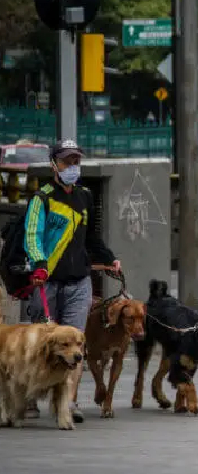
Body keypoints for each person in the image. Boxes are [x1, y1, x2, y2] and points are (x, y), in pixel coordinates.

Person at [23, 139, 121, 422]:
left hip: (79, 281)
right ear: (54, 164)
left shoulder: (85, 197)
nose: (72, 166)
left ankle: (69, 402)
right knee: (42, 342)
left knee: (76, 344)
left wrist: (109, 258)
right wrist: (40, 265)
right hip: (48, 281)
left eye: (76, 161)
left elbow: (90, 237)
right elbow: (32, 235)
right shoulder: (41, 198)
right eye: (67, 161)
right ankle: (31, 397)